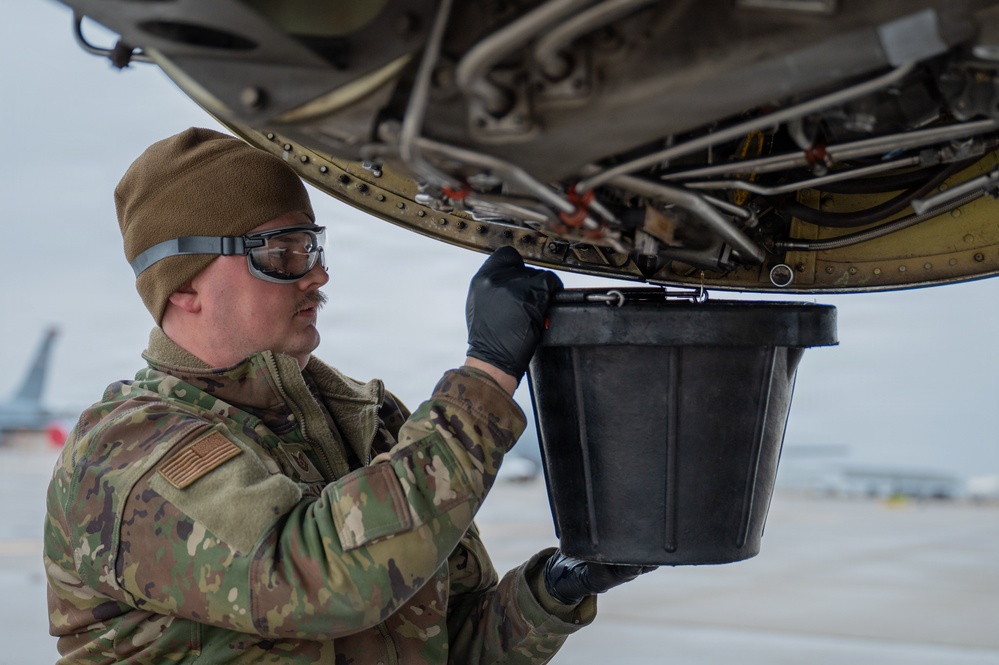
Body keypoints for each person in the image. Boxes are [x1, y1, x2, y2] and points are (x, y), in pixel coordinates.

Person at [43, 127, 649, 664]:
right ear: (184, 287)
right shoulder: (124, 452)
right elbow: (316, 581)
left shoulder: (362, 420)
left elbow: (444, 642)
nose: (316, 274)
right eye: (280, 254)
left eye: (310, 247)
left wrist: (556, 590)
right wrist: (486, 376)